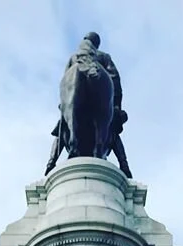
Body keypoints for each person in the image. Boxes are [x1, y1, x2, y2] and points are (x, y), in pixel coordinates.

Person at [45, 32, 132, 177]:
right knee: (113, 128)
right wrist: (117, 106)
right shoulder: (104, 57)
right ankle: (124, 165)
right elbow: (115, 78)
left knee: (63, 126)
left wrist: (65, 105)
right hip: (100, 98)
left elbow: (65, 87)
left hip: (74, 100)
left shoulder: (74, 58)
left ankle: (51, 163)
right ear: (97, 45)